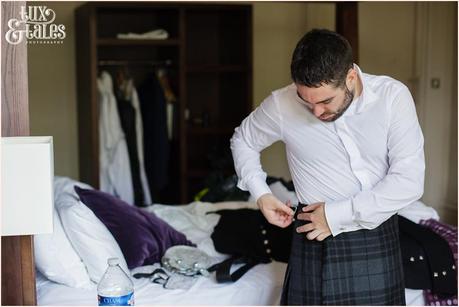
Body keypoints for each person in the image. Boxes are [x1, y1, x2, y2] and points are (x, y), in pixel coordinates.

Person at [230, 28, 425, 305]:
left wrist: (335, 216)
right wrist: (261, 193)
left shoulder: (393, 97)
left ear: (351, 77)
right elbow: (243, 141)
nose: (317, 113)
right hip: (312, 235)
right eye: (306, 101)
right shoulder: (282, 104)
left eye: (325, 101)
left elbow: (409, 181)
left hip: (375, 233)